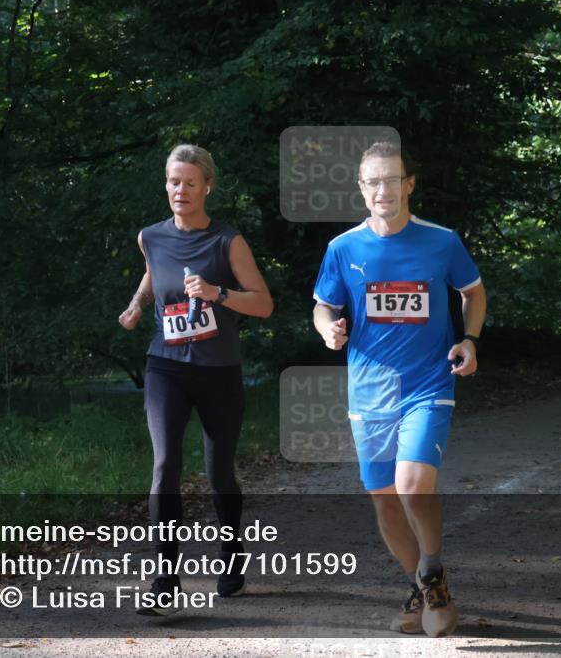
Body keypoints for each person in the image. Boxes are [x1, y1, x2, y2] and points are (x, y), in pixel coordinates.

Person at [311, 142, 486, 637]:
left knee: (412, 485)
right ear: (361, 189)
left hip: (428, 383)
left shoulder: (442, 241)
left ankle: (431, 573)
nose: (382, 190)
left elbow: (472, 291)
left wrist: (469, 339)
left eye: (392, 179)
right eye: (373, 182)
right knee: (385, 498)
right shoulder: (343, 249)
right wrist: (328, 328)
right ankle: (424, 588)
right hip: (369, 393)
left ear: (409, 184)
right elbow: (324, 306)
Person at [118, 144, 273, 614]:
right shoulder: (151, 236)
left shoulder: (228, 241)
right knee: (165, 466)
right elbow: (152, 276)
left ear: (207, 186)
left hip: (218, 370)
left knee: (218, 473)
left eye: (189, 182)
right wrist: (137, 305)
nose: (179, 190)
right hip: (165, 365)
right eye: (172, 181)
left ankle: (231, 560)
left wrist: (217, 292)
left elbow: (263, 304)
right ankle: (165, 578)